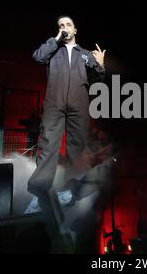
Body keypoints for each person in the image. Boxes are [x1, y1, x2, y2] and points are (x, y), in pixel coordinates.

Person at [27, 15, 106, 215]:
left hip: (78, 105)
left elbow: (98, 80)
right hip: (54, 103)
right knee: (47, 146)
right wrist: (55, 39)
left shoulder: (85, 54)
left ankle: (70, 191)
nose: (64, 28)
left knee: (77, 149)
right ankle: (38, 195)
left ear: (75, 30)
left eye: (68, 25)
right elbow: (37, 57)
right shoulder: (53, 49)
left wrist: (101, 65)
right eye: (61, 25)